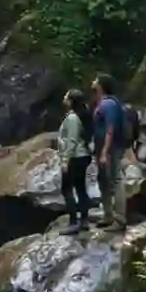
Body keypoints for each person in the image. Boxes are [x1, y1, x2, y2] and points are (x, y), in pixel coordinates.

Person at [91, 75, 131, 230]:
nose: (93, 81)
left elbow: (110, 129)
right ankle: (108, 214)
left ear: (101, 85)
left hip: (110, 149)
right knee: (103, 181)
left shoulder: (108, 104)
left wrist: (104, 152)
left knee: (115, 179)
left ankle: (120, 220)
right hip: (102, 148)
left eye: (96, 80)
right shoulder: (104, 102)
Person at [57, 89, 93, 234]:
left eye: (66, 96)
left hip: (75, 157)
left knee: (66, 189)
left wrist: (65, 160)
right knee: (81, 188)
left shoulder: (72, 118)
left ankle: (73, 222)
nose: (64, 98)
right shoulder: (81, 114)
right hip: (82, 155)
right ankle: (84, 220)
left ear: (71, 101)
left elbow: (72, 140)